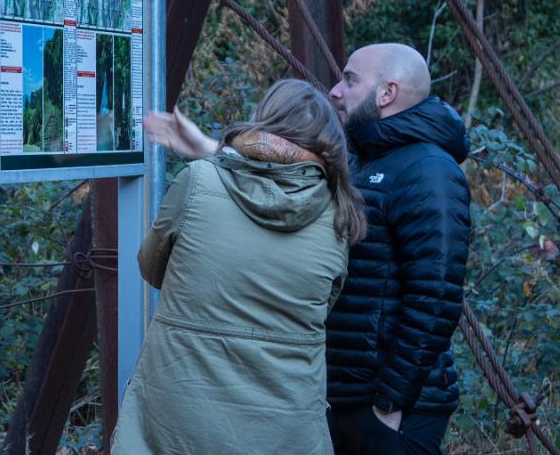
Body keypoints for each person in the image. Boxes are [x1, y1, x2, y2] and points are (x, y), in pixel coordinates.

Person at [110, 79, 365, 455]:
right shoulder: (339, 214)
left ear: (264, 120)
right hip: (284, 425)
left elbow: (151, 268)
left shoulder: (199, 180)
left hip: (181, 411)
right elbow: (321, 305)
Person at [323, 43, 471, 455]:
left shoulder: (429, 170)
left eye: (350, 79)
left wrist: (390, 402)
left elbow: (435, 298)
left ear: (387, 93)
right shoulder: (365, 161)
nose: (335, 90)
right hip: (347, 397)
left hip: (392, 408)